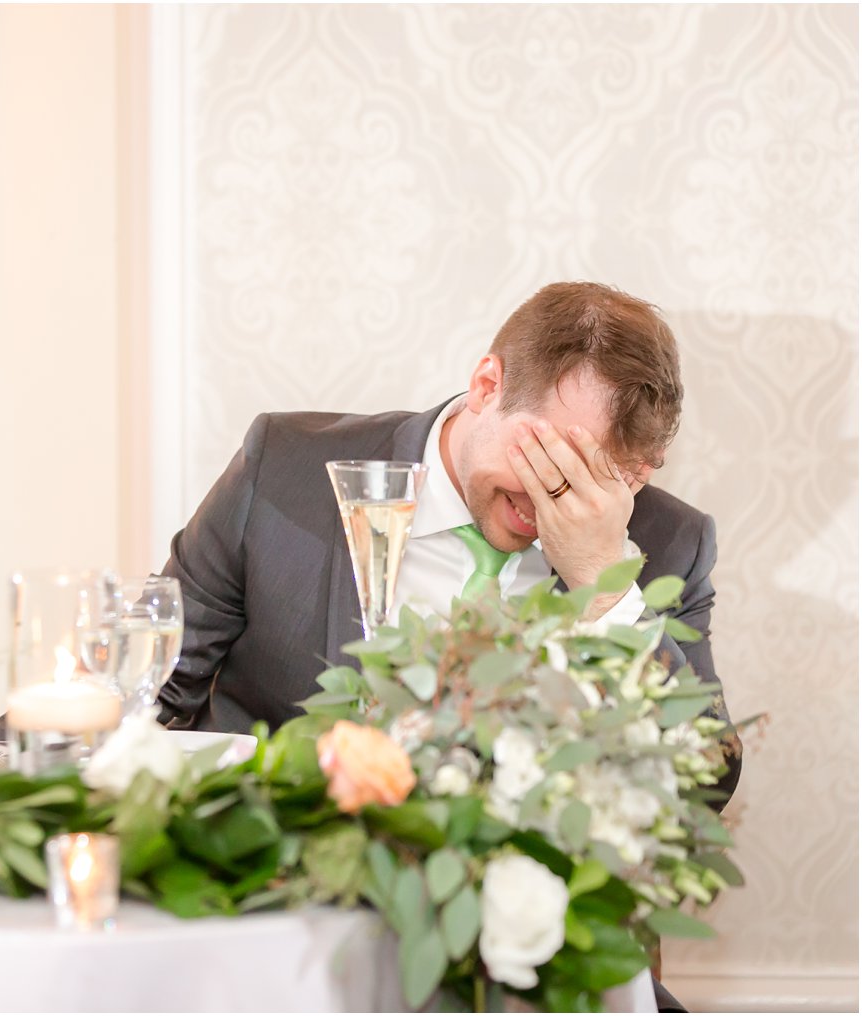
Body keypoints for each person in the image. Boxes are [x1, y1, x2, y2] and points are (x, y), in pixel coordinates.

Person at [156, 281, 741, 805]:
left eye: (614, 481)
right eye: (550, 460)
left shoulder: (670, 543)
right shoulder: (284, 468)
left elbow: (702, 787)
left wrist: (602, 580)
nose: (556, 502)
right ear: (487, 387)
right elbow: (150, 697)